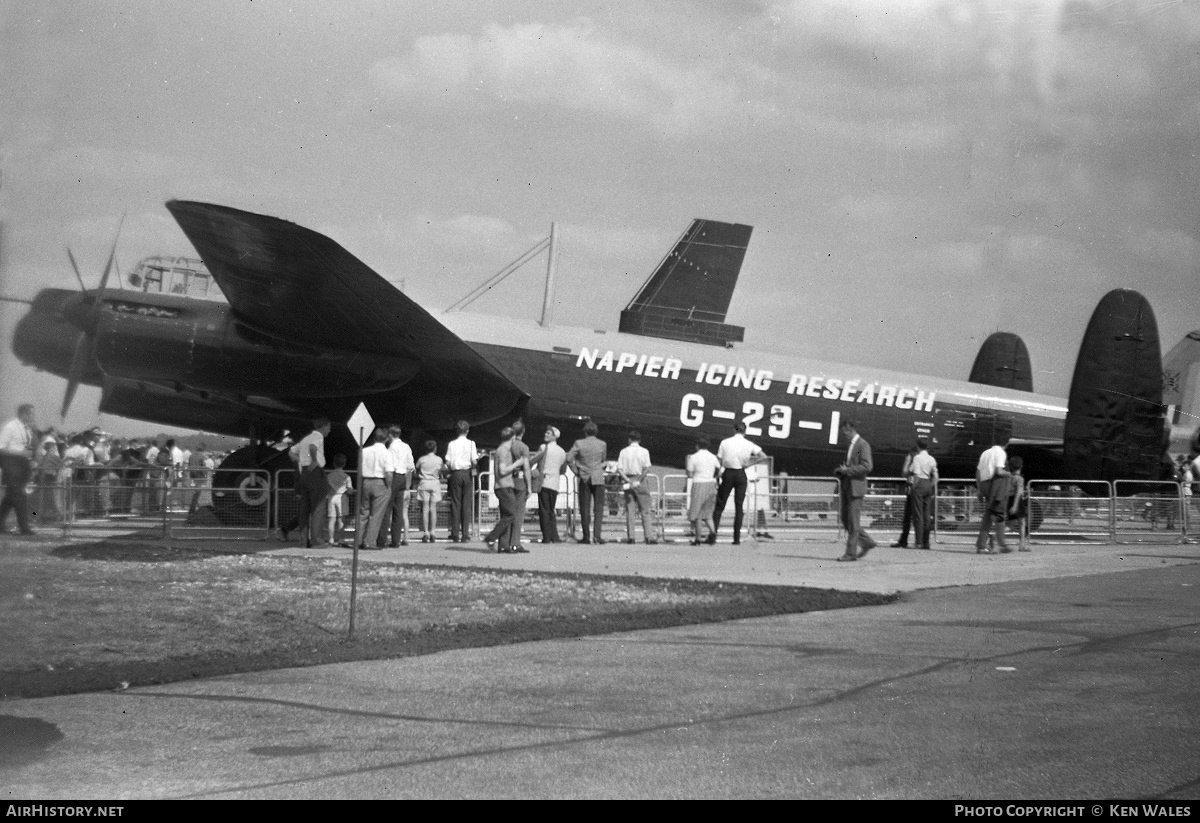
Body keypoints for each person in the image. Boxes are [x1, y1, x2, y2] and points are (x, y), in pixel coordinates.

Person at [713, 421, 767, 545]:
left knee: (720, 505)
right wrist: (748, 464)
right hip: (741, 473)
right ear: (745, 431)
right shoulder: (749, 444)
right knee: (739, 506)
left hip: (728, 473)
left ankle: (713, 534)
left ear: (734, 430)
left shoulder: (725, 442)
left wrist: (717, 475)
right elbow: (763, 456)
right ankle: (736, 538)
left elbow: (719, 460)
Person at [834, 419, 877, 561]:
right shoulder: (851, 446)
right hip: (847, 487)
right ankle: (867, 542)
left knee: (852, 521)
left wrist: (848, 470)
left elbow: (867, 466)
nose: (843, 436)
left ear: (849, 429)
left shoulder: (862, 445)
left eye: (844, 433)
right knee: (846, 520)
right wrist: (842, 471)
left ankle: (850, 553)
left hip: (856, 488)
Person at [288, 418, 332, 548]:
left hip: (304, 474)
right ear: (323, 426)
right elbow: (313, 447)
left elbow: (291, 452)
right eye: (329, 427)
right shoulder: (318, 437)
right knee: (318, 507)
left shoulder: (306, 438)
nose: (329, 430)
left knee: (304, 509)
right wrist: (314, 461)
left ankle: (303, 541)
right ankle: (317, 540)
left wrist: (301, 461)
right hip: (315, 473)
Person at [566, 420, 607, 544]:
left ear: (585, 431)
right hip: (598, 477)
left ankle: (586, 536)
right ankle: (597, 535)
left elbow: (568, 458)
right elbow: (603, 460)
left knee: (585, 508)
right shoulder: (602, 444)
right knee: (598, 508)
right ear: (596, 431)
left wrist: (576, 471)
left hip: (584, 477)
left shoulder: (579, 443)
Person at [0, 403, 37, 535]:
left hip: (22, 465)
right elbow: (1, 447)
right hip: (12, 465)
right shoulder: (10, 427)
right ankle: (24, 527)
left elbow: (27, 446)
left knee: (11, 496)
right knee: (20, 496)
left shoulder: (27, 429)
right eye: (31, 414)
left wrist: (30, 460)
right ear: (24, 414)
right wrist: (20, 454)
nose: (33, 416)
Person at [356, 427, 394, 550]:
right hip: (380, 482)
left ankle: (358, 540)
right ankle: (369, 541)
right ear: (387, 439)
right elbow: (389, 473)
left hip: (366, 481)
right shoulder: (387, 453)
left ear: (374, 438)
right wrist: (389, 487)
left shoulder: (365, 451)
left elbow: (360, 469)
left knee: (363, 513)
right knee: (376, 515)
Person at [617, 430, 657, 544]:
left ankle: (631, 537)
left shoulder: (623, 451)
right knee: (645, 510)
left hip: (628, 479)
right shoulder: (644, 451)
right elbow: (647, 468)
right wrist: (638, 480)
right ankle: (648, 537)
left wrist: (628, 480)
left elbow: (619, 469)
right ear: (639, 440)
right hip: (641, 480)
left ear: (629, 439)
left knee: (630, 510)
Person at [378, 425, 414, 547]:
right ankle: (396, 540)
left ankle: (382, 539)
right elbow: (410, 466)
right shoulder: (406, 446)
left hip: (394, 477)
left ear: (390, 435)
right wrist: (408, 485)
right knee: (398, 510)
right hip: (403, 478)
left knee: (386, 509)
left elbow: (389, 466)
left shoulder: (391, 449)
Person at [444, 420, 478, 543]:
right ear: (467, 430)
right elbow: (474, 460)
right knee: (466, 504)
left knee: (455, 503)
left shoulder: (452, 444)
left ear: (457, 431)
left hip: (455, 473)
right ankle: (465, 534)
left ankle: (454, 533)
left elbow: (447, 461)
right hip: (467, 473)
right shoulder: (471, 444)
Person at [974, 437, 1010, 554]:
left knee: (989, 515)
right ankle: (1000, 544)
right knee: (998, 514)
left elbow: (978, 472)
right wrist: (1009, 473)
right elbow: (999, 471)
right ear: (1007, 443)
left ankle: (984, 544)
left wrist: (979, 489)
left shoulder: (985, 452)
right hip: (994, 486)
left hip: (984, 484)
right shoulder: (1000, 453)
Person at [533, 426, 567, 543]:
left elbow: (534, 460)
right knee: (551, 510)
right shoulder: (562, 451)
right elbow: (563, 470)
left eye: (548, 433)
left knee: (544, 511)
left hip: (544, 482)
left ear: (554, 436)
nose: (545, 434)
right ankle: (554, 536)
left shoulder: (543, 447)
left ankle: (546, 537)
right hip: (555, 484)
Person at [686, 436, 721, 545]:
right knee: (708, 513)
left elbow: (690, 473)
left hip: (698, 484)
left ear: (697, 446)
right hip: (711, 484)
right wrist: (714, 477)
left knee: (697, 514)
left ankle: (697, 539)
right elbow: (720, 470)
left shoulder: (692, 457)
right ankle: (713, 533)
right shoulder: (713, 457)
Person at [908, 439, 938, 550]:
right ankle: (926, 542)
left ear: (917, 447)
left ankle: (918, 542)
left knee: (918, 515)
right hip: (928, 484)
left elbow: (916, 473)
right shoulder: (931, 459)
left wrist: (914, 487)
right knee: (926, 515)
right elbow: (935, 476)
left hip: (919, 483)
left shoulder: (917, 458)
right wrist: (930, 485)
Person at [414, 440, 445, 543]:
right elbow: (441, 469)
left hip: (424, 482)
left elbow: (416, 469)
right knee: (433, 509)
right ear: (435, 448)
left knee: (425, 509)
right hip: (435, 482)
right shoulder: (439, 460)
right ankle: (433, 532)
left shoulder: (422, 459)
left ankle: (425, 532)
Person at [508, 421, 532, 553]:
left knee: (507, 513)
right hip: (519, 481)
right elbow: (526, 468)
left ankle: (505, 542)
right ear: (523, 432)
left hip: (507, 480)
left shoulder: (507, 446)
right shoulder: (523, 447)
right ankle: (515, 542)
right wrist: (529, 486)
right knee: (518, 514)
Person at [891, 446, 919, 547]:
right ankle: (921, 541)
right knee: (919, 516)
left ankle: (904, 540)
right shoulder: (928, 457)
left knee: (908, 516)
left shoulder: (912, 457)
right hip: (922, 488)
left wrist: (909, 463)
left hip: (912, 488)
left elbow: (904, 472)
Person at [324, 453, 353, 547]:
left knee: (331, 520)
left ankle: (331, 540)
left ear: (334, 463)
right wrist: (351, 491)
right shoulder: (346, 476)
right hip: (342, 497)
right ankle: (341, 540)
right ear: (344, 464)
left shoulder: (329, 476)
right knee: (341, 520)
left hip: (331, 497)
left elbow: (327, 488)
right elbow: (350, 489)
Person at [1004, 455, 1029, 553]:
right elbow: (1019, 492)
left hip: (1009, 500)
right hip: (1016, 502)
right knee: (1022, 523)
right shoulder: (1019, 479)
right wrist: (1015, 505)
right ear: (1021, 466)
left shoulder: (1008, 477)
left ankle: (994, 536)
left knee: (1010, 525)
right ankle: (1021, 545)